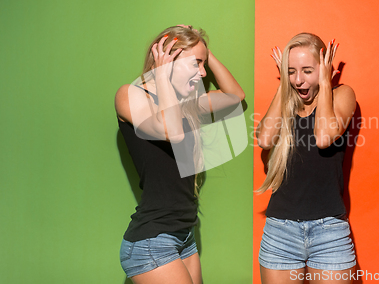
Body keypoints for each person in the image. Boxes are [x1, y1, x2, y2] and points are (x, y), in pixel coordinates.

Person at [115, 25, 245, 284]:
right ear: (169, 59)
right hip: (151, 241)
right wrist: (162, 75)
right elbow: (171, 132)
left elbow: (235, 95)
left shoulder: (186, 105)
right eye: (196, 64)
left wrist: (204, 50)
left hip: (184, 236)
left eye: (204, 64)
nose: (203, 73)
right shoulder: (131, 95)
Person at [256, 33, 357, 284]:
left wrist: (324, 82)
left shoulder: (342, 95)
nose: (298, 80)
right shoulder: (286, 105)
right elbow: (264, 140)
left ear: (323, 68)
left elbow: (324, 137)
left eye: (307, 71)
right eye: (291, 71)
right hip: (280, 232)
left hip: (329, 234)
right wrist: (283, 85)